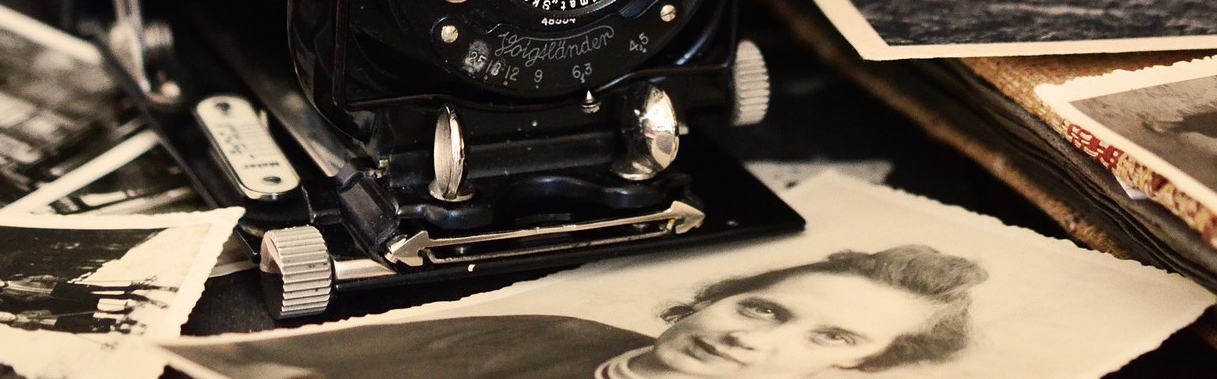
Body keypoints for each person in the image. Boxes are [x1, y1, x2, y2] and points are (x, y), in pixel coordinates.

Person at [169, 245, 987, 379]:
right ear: (709, 296)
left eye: (831, 336)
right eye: (764, 309)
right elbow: (235, 363)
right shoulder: (561, 336)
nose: (743, 337)